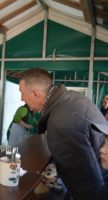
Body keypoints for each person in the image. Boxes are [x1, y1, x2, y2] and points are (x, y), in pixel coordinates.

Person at [19, 68, 107, 200]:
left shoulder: (60, 124)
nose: (21, 99)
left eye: (22, 93)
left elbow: (85, 182)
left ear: (35, 94)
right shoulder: (71, 98)